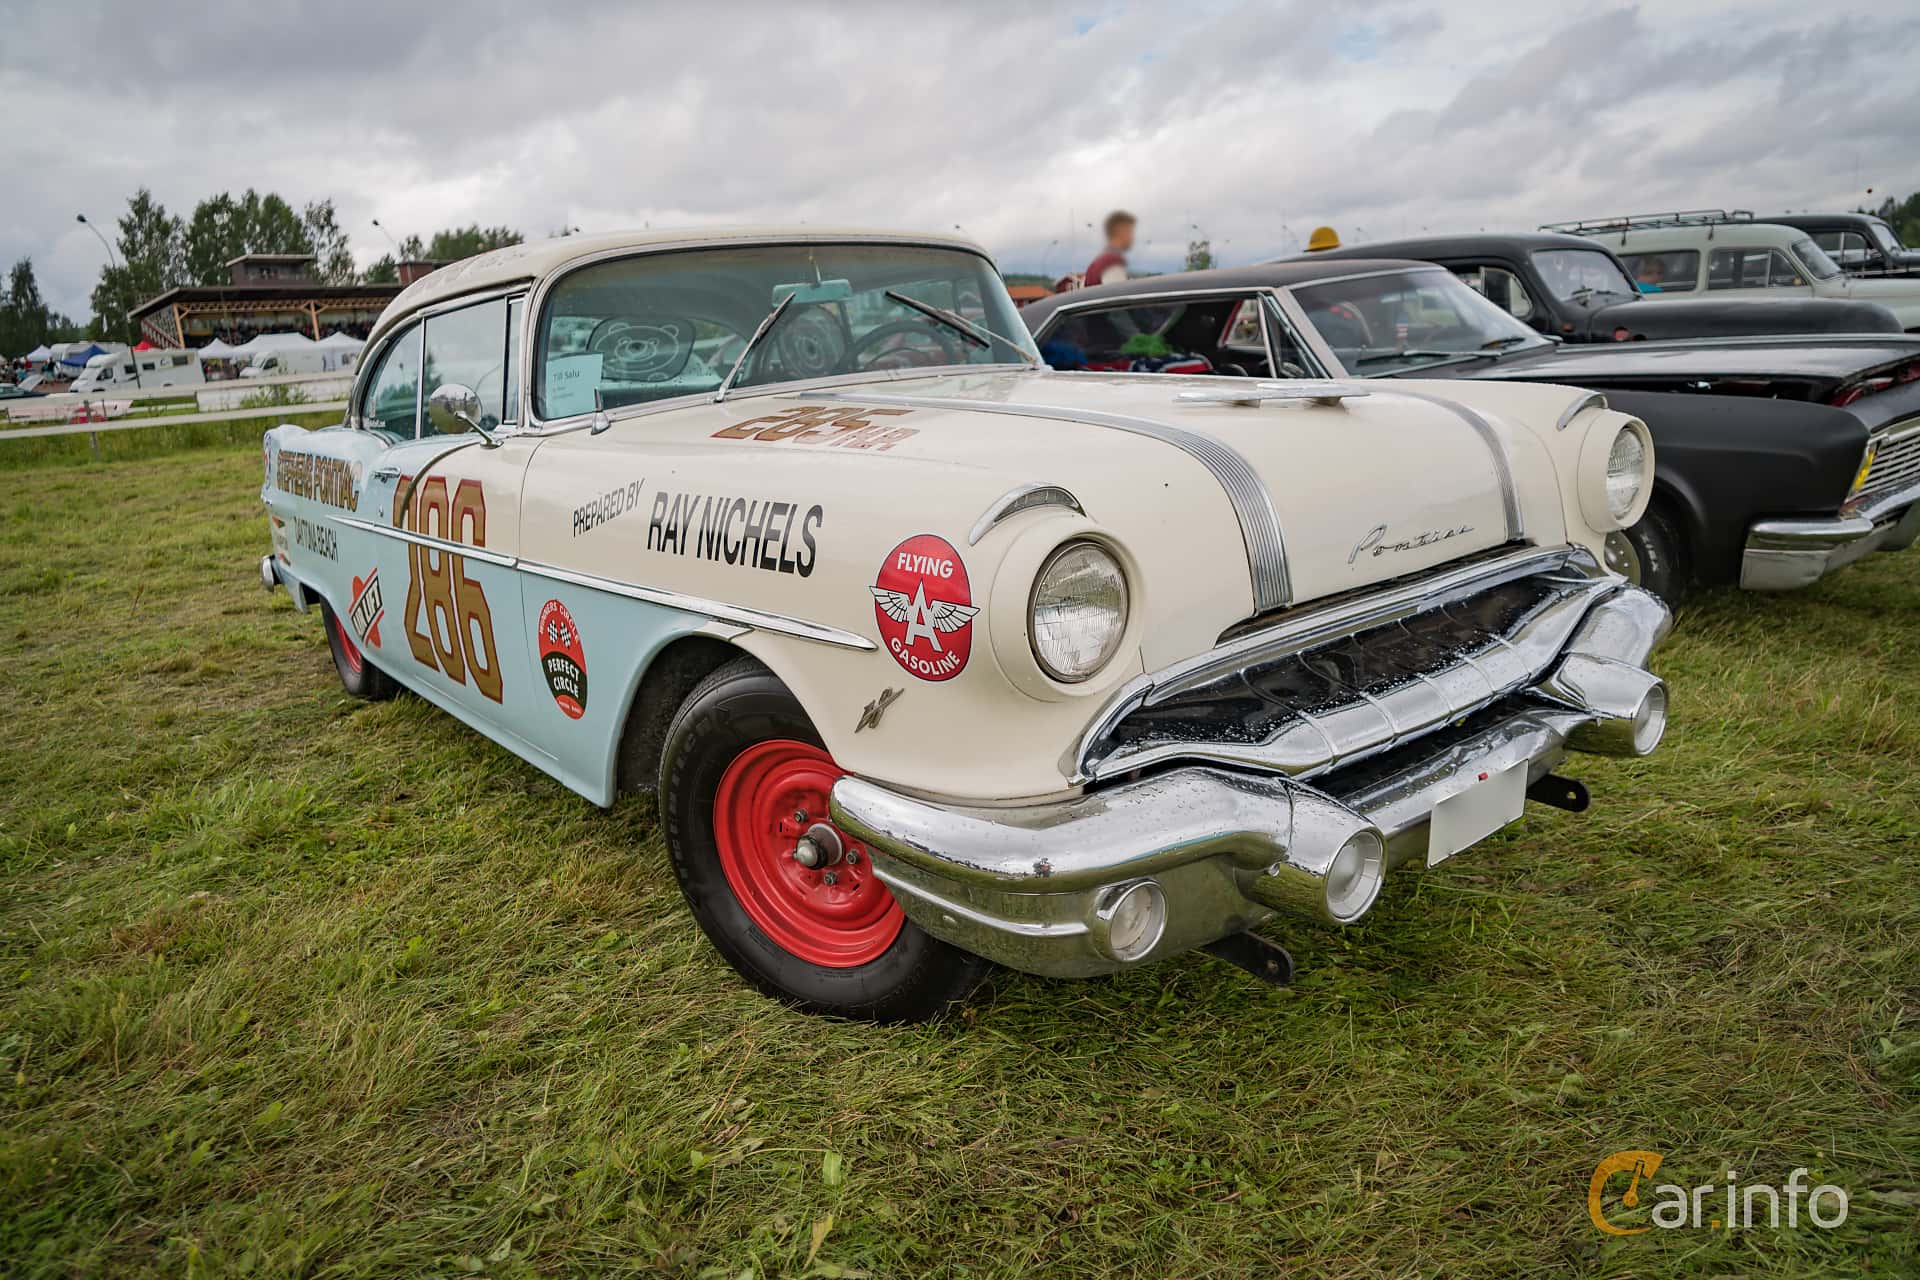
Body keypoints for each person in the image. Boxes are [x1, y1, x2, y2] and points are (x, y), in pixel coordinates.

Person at [1084, 211, 1136, 287]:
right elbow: (1119, 295)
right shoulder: (1112, 262)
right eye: (1130, 232)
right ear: (1120, 232)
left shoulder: (1098, 262)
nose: (1132, 238)